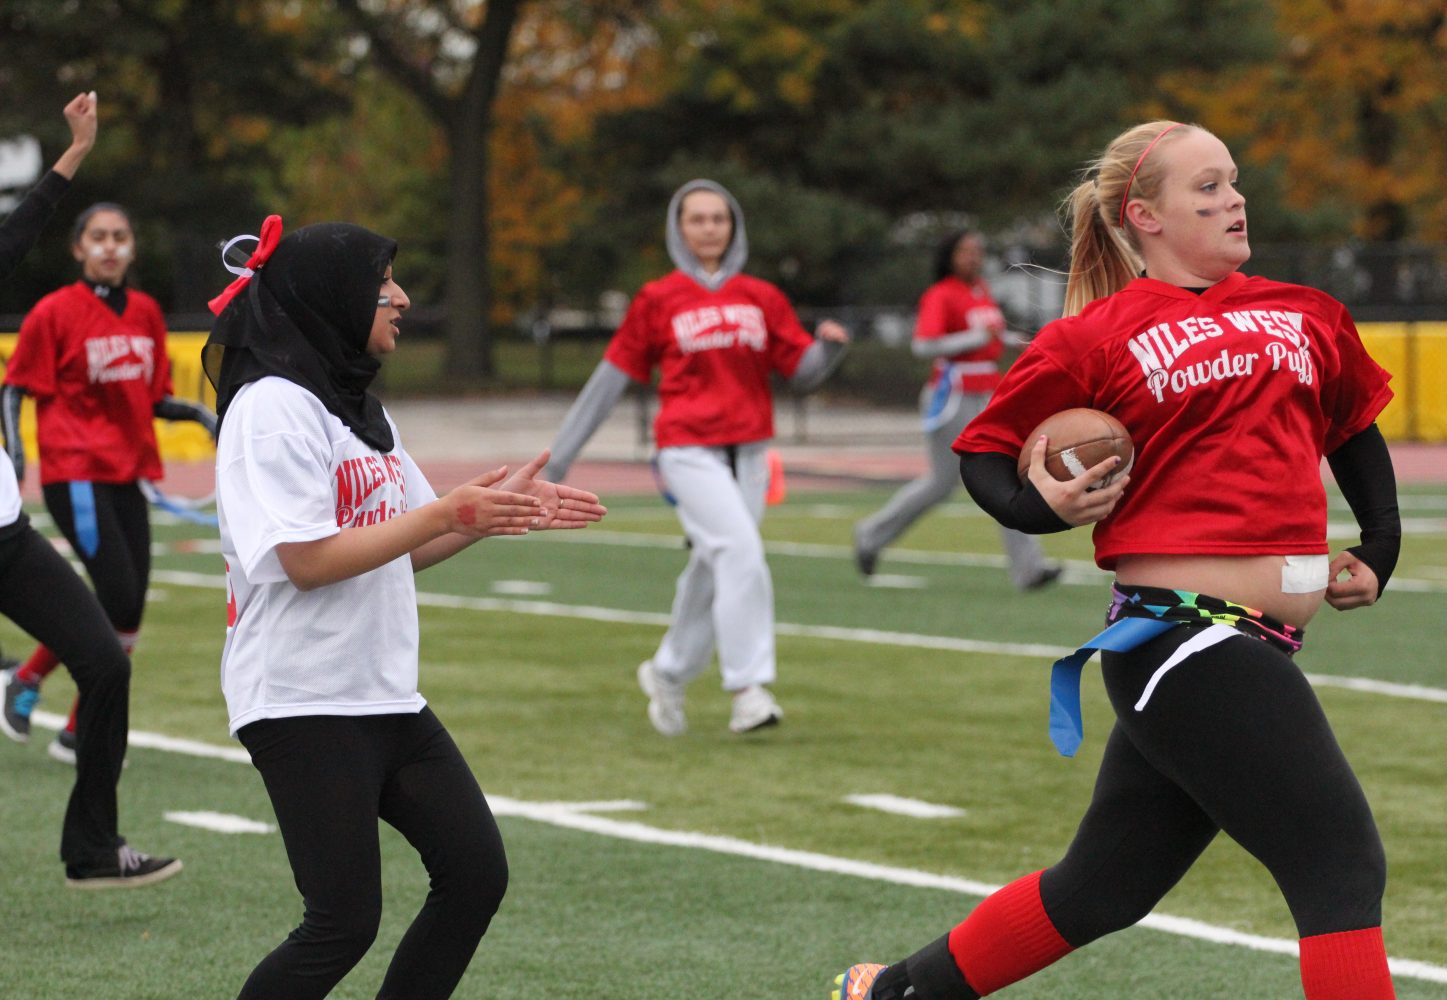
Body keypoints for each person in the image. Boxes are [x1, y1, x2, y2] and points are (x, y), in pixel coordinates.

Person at [832, 121, 1400, 1000]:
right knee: (1340, 863)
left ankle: (899, 993)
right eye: (1205, 188)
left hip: (1240, 642)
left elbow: (1354, 423)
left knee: (1102, 887)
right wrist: (1039, 507)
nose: (1233, 199)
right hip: (1183, 639)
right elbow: (984, 450)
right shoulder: (1096, 336)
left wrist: (1383, 544)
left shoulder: (1303, 310)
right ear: (1145, 215)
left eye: (1234, 182)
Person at [204, 215, 605, 999]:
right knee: (342, 922)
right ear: (332, 296)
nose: (401, 298)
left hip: (383, 693)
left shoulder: (357, 406)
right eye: (382, 284)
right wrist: (446, 512)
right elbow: (306, 561)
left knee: (475, 874)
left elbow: (412, 540)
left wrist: (496, 511)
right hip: (301, 698)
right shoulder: (271, 408)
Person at [543, 179, 849, 736]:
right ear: (677, 229)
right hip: (685, 450)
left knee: (716, 565)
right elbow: (608, 384)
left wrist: (827, 349)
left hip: (751, 451)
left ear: (733, 227)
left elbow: (801, 370)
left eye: (719, 219)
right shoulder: (658, 299)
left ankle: (668, 671)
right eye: (697, 219)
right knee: (738, 549)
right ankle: (748, 689)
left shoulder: (762, 296)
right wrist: (559, 459)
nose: (709, 228)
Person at [0, 92, 180, 888]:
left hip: (2, 530)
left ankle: (92, 850)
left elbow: (16, 233)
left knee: (104, 662)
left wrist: (73, 153)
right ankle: (4, 678)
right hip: (58, 484)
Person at [0, 200, 215, 765]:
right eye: (99, 236)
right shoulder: (54, 312)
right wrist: (18, 456)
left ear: (132, 247)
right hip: (75, 474)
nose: (111, 245)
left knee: (129, 607)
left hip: (128, 471)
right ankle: (76, 724)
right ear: (79, 247)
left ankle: (38, 690)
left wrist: (201, 416)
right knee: (115, 594)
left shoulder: (143, 311)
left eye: (120, 235)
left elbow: (153, 396)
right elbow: (13, 387)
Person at [852, 231, 1058, 589]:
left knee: (1002, 473)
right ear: (949, 255)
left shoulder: (979, 290)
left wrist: (1021, 340)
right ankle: (870, 535)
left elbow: (989, 338)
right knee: (946, 482)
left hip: (987, 391)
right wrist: (973, 340)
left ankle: (1029, 568)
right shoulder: (941, 294)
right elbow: (923, 345)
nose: (973, 257)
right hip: (952, 394)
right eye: (965, 251)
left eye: (978, 251)